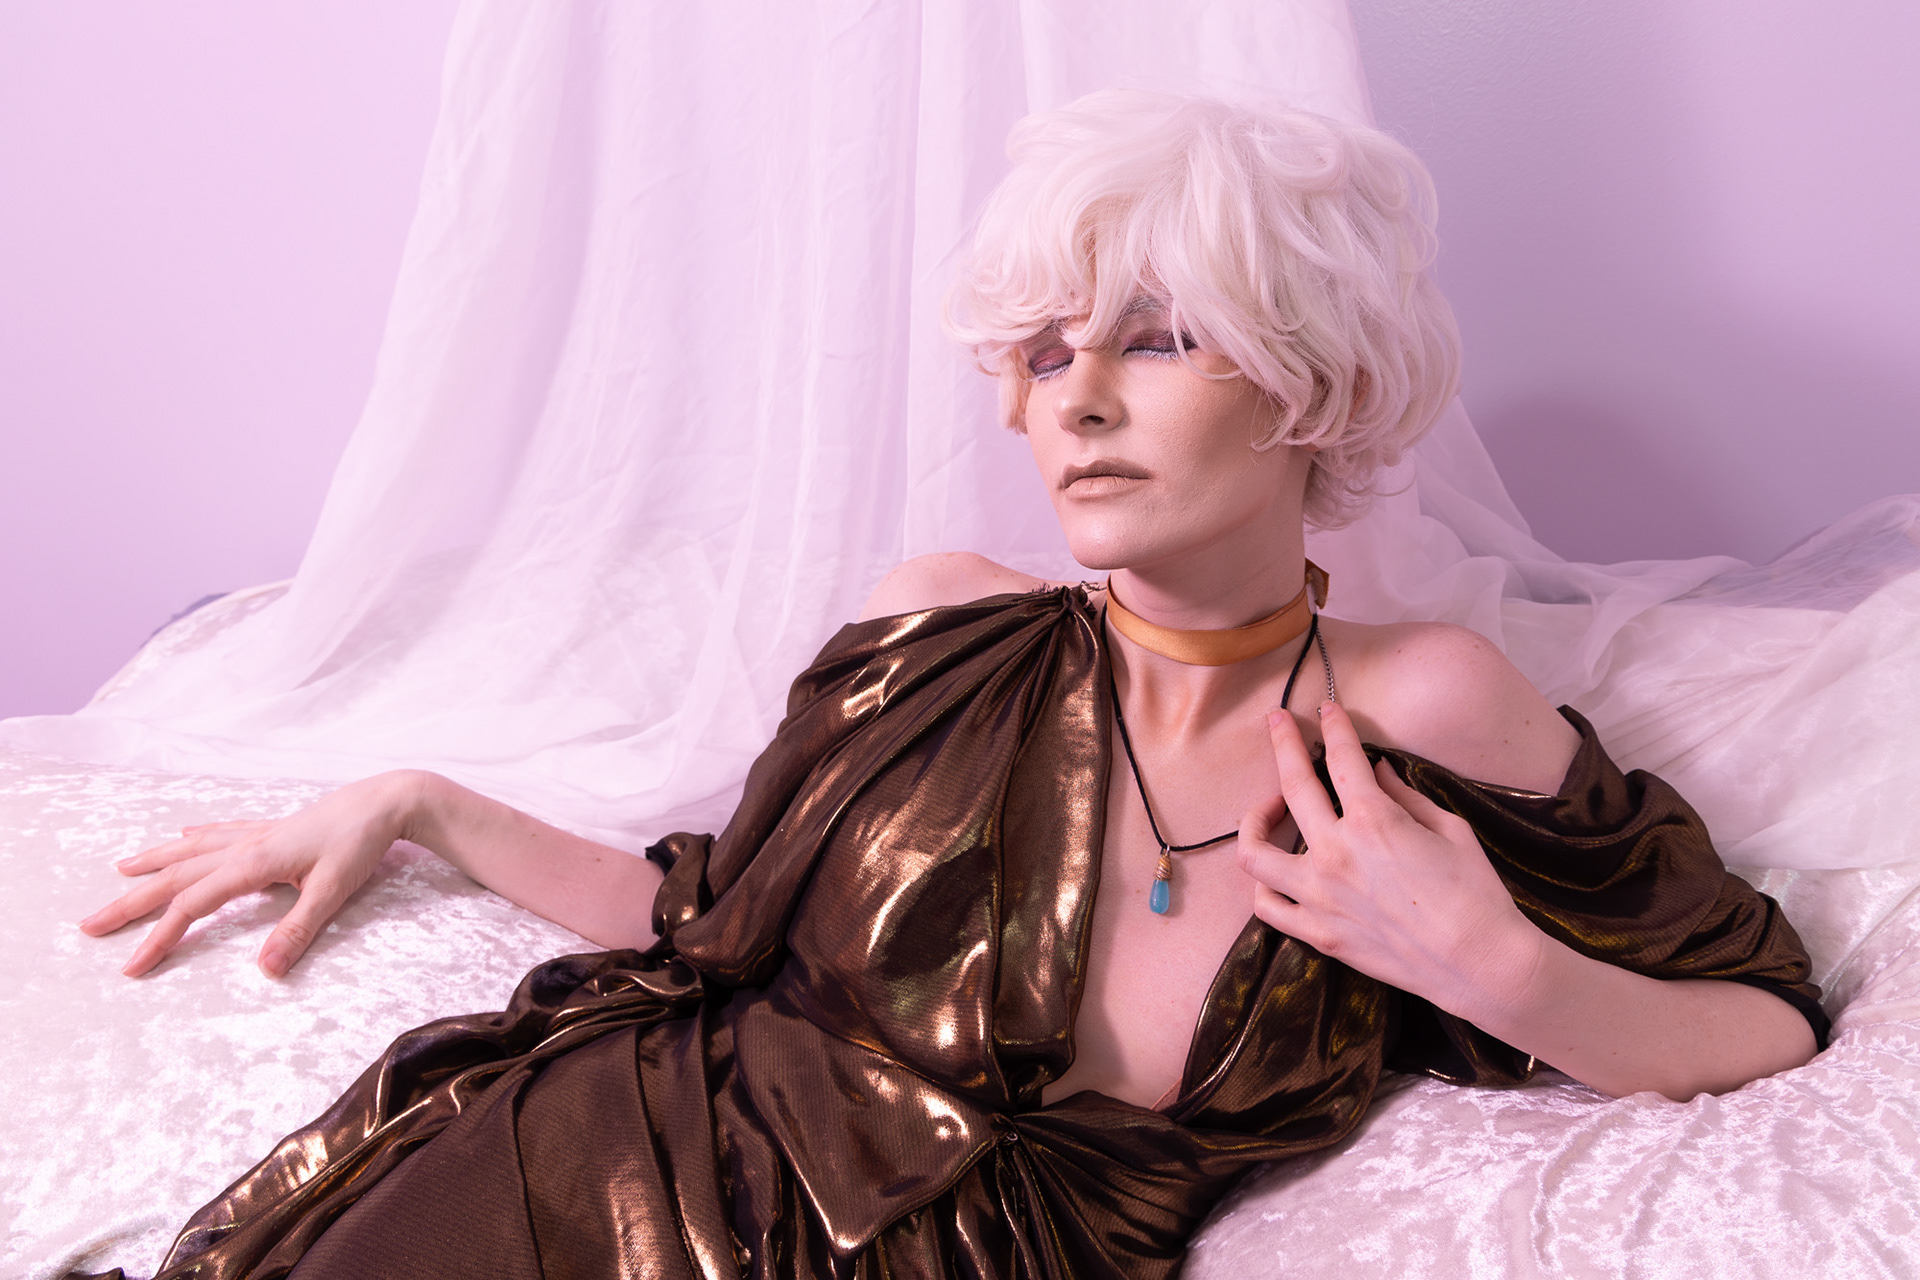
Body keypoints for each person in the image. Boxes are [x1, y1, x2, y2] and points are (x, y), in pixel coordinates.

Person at [78, 91, 1823, 1279]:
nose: (1075, 402)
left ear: (1311, 378)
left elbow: (1763, 1020)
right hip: (602, 1177)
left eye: (1155, 337)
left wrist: (1492, 967)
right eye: (1045, 354)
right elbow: (707, 929)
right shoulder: (938, 633)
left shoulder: (1425, 709)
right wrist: (421, 804)